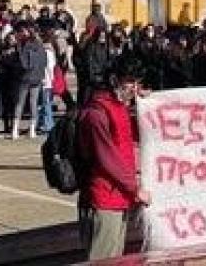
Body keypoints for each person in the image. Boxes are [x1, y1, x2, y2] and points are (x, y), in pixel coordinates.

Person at [78, 56, 150, 260]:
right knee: (104, 259)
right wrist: (135, 189)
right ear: (114, 80)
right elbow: (107, 159)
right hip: (104, 199)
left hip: (118, 197)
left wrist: (146, 104)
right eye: (129, 81)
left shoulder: (119, 108)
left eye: (137, 82)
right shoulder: (97, 113)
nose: (134, 87)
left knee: (116, 259)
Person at [12, 28, 46, 139]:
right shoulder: (41, 48)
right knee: (33, 103)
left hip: (25, 78)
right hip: (37, 78)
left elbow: (23, 63)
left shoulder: (25, 47)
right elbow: (44, 63)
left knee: (20, 103)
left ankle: (15, 129)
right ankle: (32, 130)